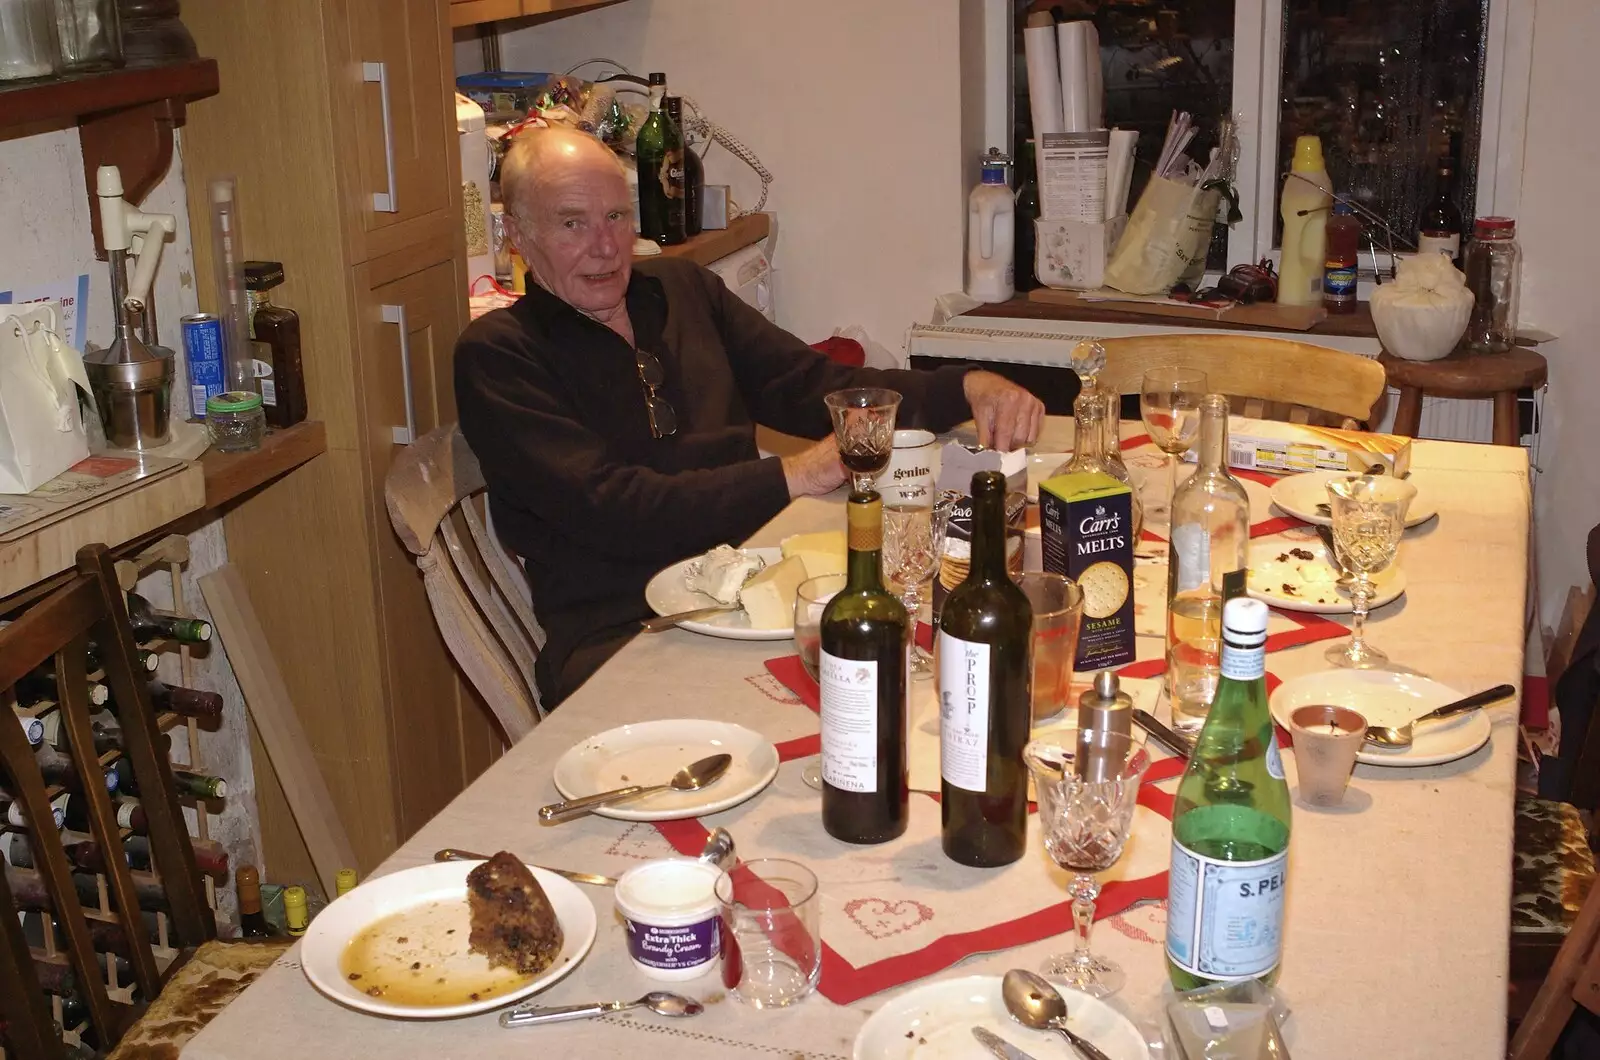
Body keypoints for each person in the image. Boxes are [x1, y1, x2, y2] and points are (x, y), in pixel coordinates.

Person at [455, 126, 1047, 708]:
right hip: (626, 637)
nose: (606, 246)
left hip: (760, 588)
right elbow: (613, 508)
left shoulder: (682, 290)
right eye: (571, 223)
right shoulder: (501, 355)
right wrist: (795, 475)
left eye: (616, 217)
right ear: (517, 234)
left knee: (937, 675)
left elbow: (812, 384)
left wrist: (963, 387)